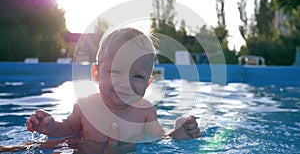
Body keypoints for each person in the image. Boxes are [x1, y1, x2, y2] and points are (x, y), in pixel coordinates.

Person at [26, 28, 201, 153]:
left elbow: (160, 144)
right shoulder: (85, 106)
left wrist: (177, 135)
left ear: (148, 84)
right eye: (115, 71)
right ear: (96, 73)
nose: (124, 83)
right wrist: (51, 127)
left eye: (137, 76)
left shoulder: (145, 112)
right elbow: (68, 129)